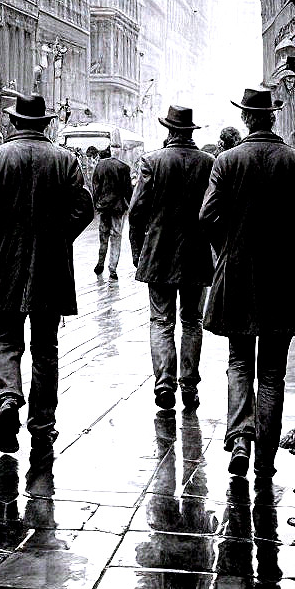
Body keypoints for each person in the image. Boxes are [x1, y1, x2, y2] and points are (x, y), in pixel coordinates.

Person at [0, 93, 95, 454]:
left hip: (3, 264)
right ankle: (42, 424)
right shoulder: (66, 161)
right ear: (46, 123)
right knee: (45, 349)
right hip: (51, 268)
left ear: (14, 122)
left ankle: (7, 398)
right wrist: (60, 236)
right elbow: (86, 208)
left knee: (5, 340)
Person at [200, 87, 295, 479]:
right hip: (283, 282)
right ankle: (265, 459)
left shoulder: (227, 162)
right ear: (272, 117)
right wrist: (289, 254)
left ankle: (239, 438)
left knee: (239, 361)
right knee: (272, 371)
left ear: (247, 119)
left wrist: (229, 249)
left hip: (237, 278)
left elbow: (207, 217)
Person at [128, 106, 215, 413]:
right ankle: (189, 386)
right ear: (191, 132)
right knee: (193, 321)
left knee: (161, 322)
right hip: (196, 255)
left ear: (169, 131)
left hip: (159, 254)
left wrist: (139, 253)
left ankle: (165, 383)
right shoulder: (208, 163)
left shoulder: (152, 161)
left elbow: (136, 212)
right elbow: (213, 213)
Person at [92, 145, 134, 279]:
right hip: (118, 208)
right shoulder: (124, 167)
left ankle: (100, 263)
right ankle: (113, 269)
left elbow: (95, 188)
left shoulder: (99, 166)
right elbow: (128, 191)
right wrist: (131, 206)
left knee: (103, 238)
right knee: (116, 237)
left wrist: (96, 205)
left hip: (104, 208)